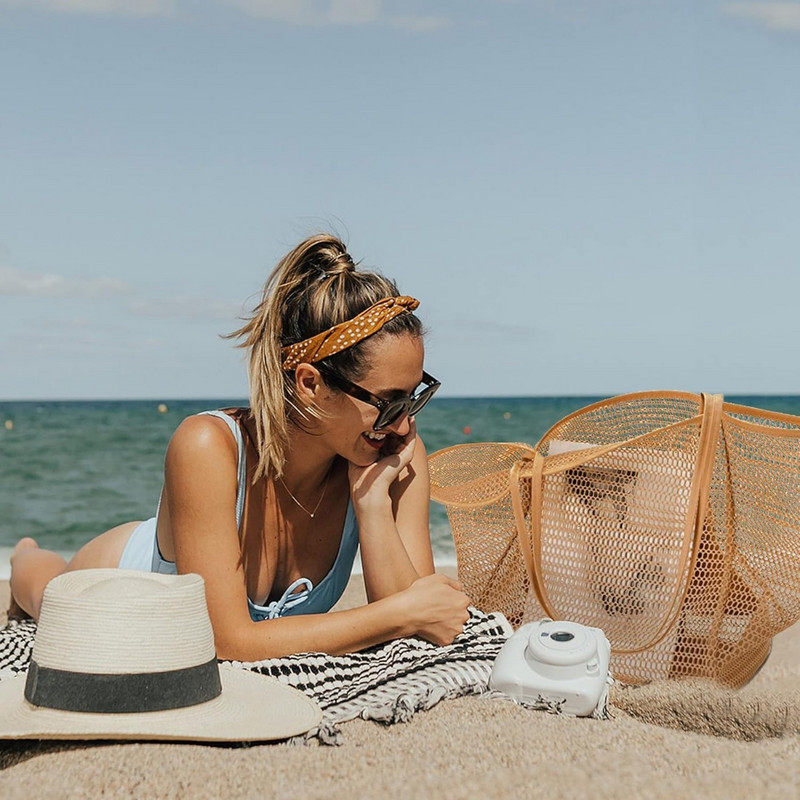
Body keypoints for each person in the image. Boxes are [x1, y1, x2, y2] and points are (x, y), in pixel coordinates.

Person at [8, 234, 471, 660]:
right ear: (310, 384)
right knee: (45, 592)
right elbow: (225, 640)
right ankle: (23, 553)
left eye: (414, 397)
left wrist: (371, 507)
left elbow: (419, 633)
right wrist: (398, 614)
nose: (405, 423)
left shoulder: (393, 460)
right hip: (122, 580)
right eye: (387, 403)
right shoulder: (208, 446)